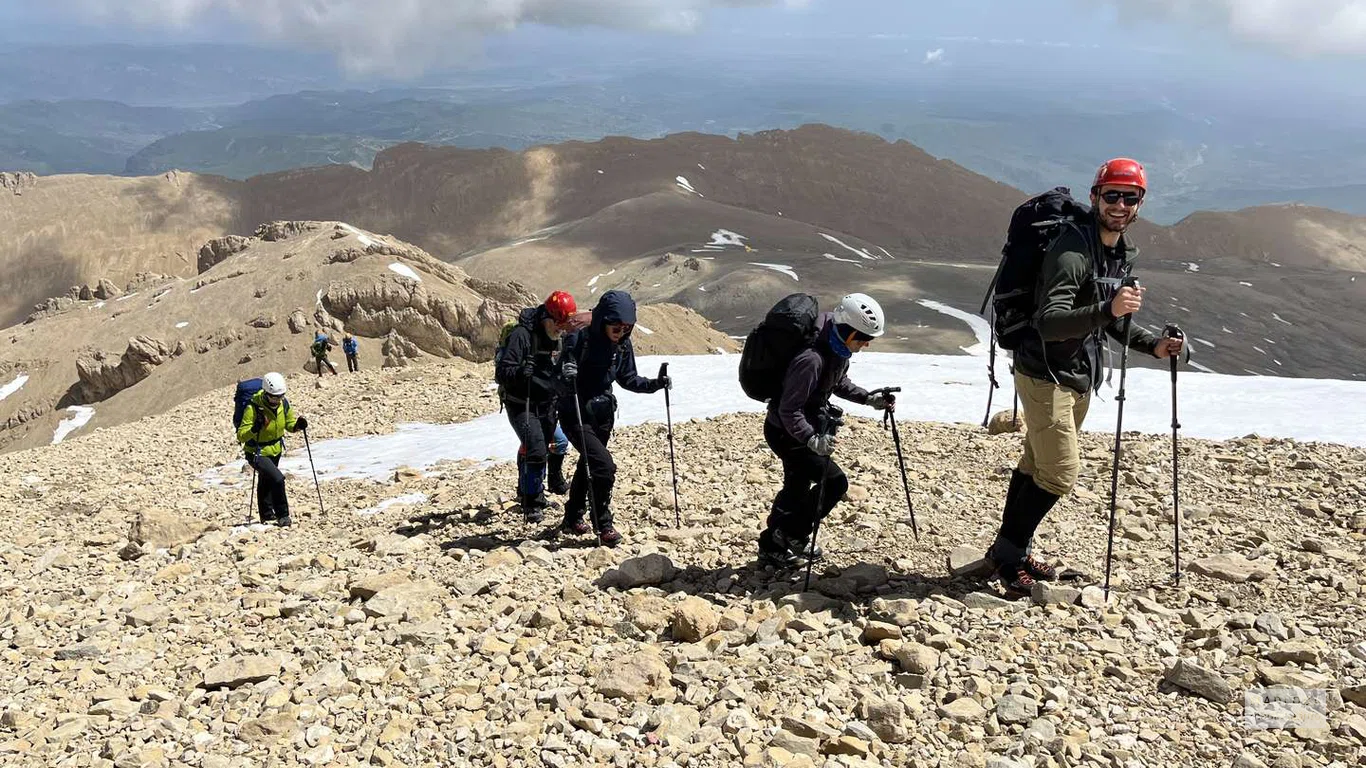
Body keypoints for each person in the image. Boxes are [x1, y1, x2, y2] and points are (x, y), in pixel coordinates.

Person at [990, 157, 1185, 593]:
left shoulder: (1116, 251)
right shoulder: (1071, 251)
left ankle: (1008, 553)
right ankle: (1008, 558)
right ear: (1095, 196)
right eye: (1111, 195)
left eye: (1129, 197)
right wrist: (1108, 309)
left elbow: (1108, 317)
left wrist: (1151, 344)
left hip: (1078, 373)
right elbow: (1050, 320)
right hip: (1045, 371)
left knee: (1036, 463)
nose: (1119, 204)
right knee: (1059, 473)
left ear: (1140, 204)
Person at [759, 293, 894, 567]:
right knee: (834, 483)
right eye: (863, 338)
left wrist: (868, 398)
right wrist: (811, 439)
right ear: (849, 331)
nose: (866, 344)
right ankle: (791, 536)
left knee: (795, 488)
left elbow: (837, 382)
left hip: (794, 429)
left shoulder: (835, 348)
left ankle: (773, 545)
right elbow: (789, 410)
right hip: (788, 432)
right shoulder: (811, 360)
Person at [557, 290, 669, 546]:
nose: (621, 333)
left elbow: (628, 379)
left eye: (626, 328)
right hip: (575, 414)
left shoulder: (622, 345)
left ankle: (572, 517)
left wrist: (655, 384)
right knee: (604, 467)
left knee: (589, 464)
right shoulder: (579, 340)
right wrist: (566, 374)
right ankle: (603, 524)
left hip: (603, 415)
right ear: (603, 321)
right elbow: (558, 380)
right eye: (616, 328)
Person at [495, 290, 579, 523]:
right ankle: (532, 502)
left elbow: (560, 364)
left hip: (547, 402)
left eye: (564, 325)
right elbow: (502, 372)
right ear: (547, 317)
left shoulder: (559, 337)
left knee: (558, 442)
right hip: (522, 403)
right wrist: (522, 372)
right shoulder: (522, 335)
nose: (560, 330)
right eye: (558, 324)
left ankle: (550, 483)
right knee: (536, 449)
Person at [237, 372, 308, 527]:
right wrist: (255, 428)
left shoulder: (284, 404)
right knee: (277, 479)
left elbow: (288, 424)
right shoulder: (253, 407)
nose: (277, 400)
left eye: (280, 396)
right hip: (256, 451)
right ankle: (283, 516)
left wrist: (297, 426)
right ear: (266, 393)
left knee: (266, 480)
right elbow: (241, 435)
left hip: (275, 449)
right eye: (273, 397)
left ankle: (266, 515)